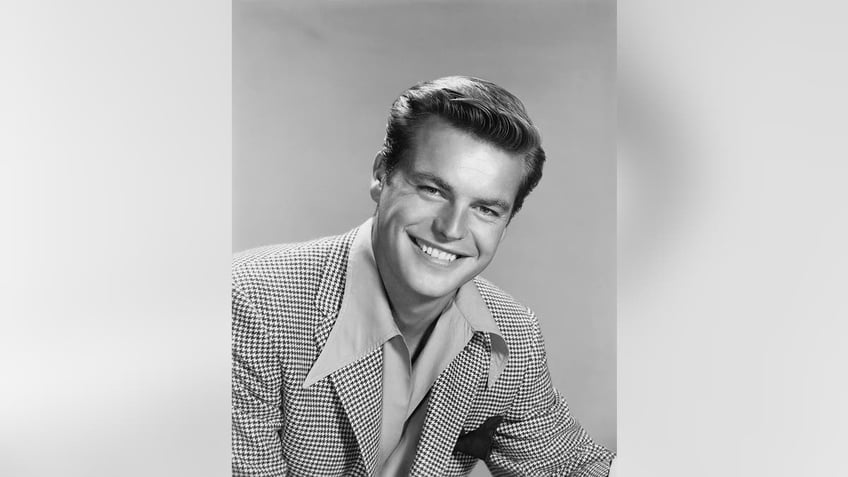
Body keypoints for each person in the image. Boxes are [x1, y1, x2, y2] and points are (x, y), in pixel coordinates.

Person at [232, 76, 614, 476]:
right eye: (433, 189)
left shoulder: (512, 336)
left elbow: (571, 467)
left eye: (486, 209)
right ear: (382, 176)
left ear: (507, 222)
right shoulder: (249, 304)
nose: (451, 228)